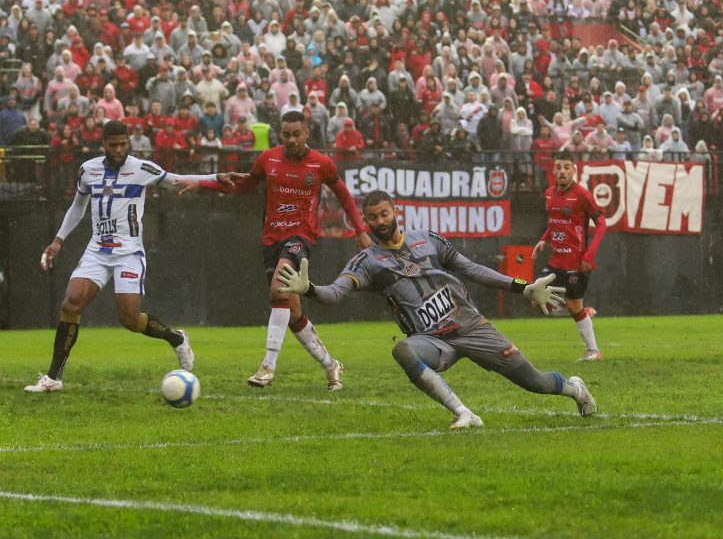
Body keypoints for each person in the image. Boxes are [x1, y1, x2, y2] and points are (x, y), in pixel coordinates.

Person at [275, 191, 597, 429]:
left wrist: (523, 286)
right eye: (372, 218)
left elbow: (473, 270)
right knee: (403, 350)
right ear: (365, 220)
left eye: (384, 214)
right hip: (433, 340)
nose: (379, 222)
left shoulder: (427, 239)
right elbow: (335, 293)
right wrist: (310, 290)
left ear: (395, 211)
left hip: (471, 327)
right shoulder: (367, 261)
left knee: (535, 382)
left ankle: (574, 388)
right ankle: (464, 413)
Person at [24, 120, 238, 393]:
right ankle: (54, 377)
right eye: (113, 145)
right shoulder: (87, 170)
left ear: (129, 142)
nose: (118, 149)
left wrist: (214, 179)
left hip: (129, 252)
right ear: (103, 144)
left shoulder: (141, 168)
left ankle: (176, 338)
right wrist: (58, 240)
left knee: (129, 318)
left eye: (123, 144)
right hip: (98, 249)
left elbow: (175, 179)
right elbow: (77, 207)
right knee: (71, 304)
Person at [184, 110, 373, 389]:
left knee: (278, 290)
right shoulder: (268, 158)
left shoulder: (321, 164)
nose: (292, 139)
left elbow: (343, 194)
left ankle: (267, 367)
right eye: (287, 134)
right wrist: (202, 184)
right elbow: (243, 185)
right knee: (292, 311)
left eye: (297, 134)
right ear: (280, 134)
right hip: (271, 238)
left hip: (301, 236)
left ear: (307, 133)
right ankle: (330, 364)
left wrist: (360, 231)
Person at [533, 151, 607, 361]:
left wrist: (590, 253)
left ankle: (593, 351)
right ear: (553, 170)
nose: (563, 171)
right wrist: (543, 239)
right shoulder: (549, 194)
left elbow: (602, 224)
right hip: (555, 260)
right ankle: (585, 312)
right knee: (537, 300)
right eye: (559, 167)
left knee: (573, 305)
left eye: (567, 167)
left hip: (577, 262)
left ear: (575, 170)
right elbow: (555, 222)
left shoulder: (583, 195)